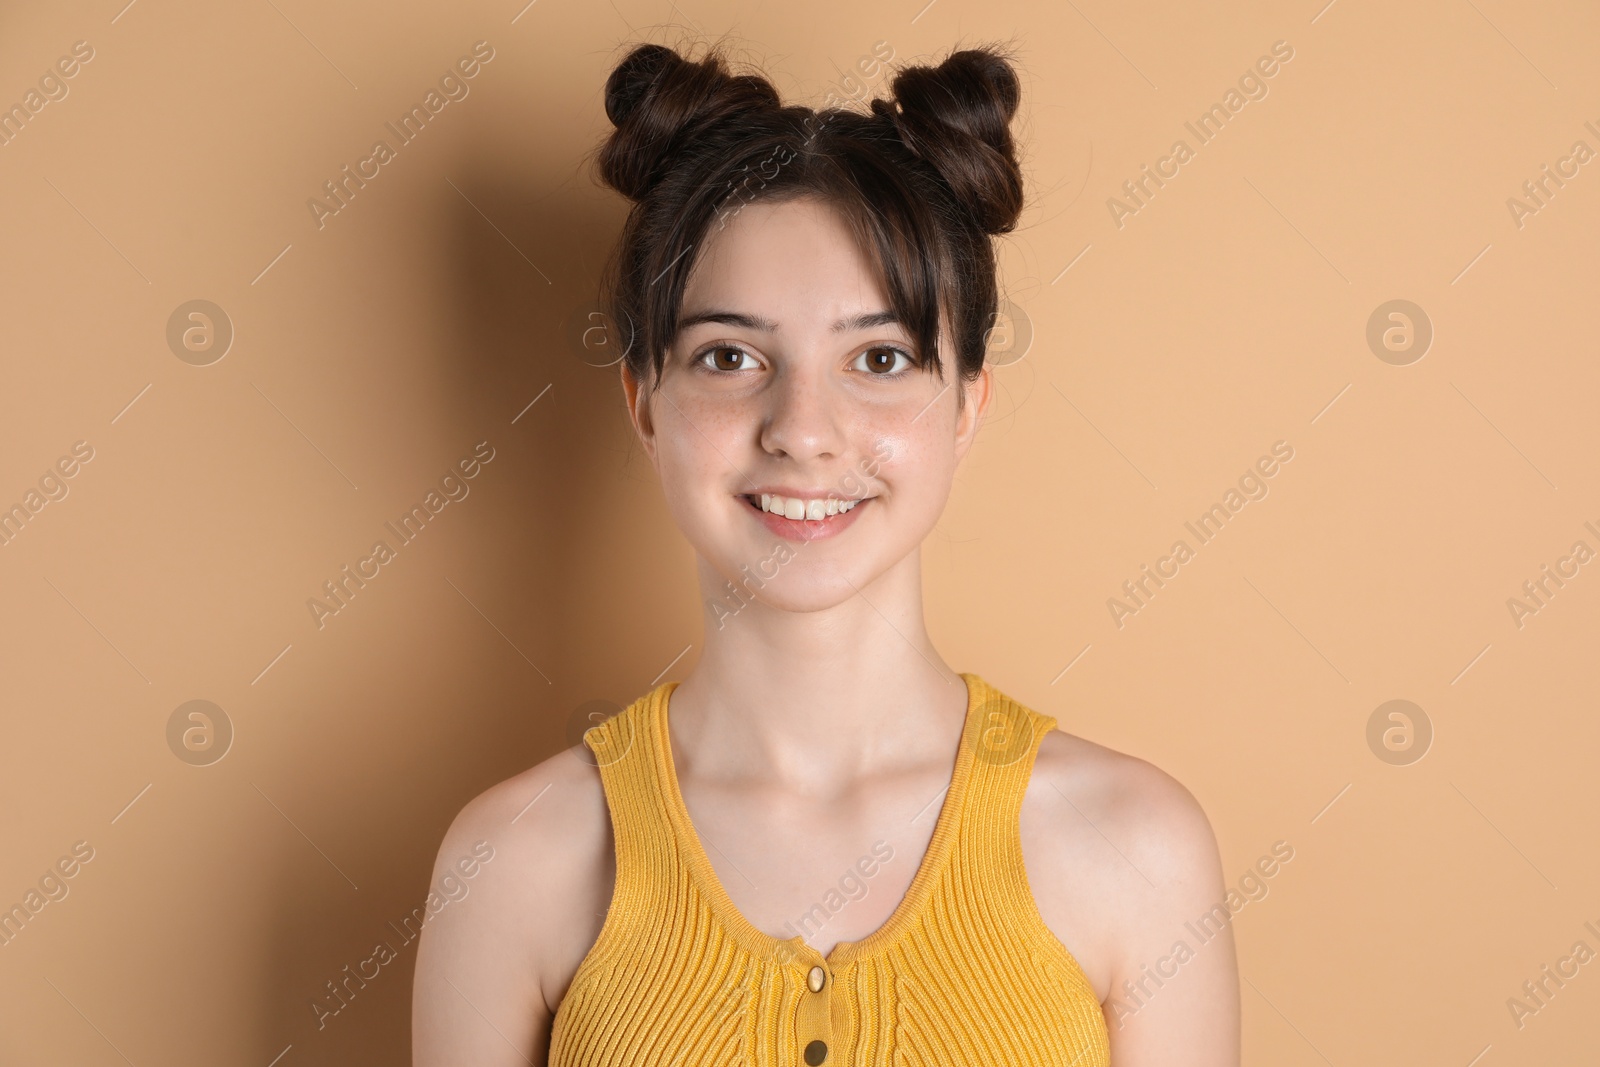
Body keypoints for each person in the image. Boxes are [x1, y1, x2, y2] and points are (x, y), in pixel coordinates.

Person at [413, 39, 1240, 1067]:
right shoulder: (512, 862)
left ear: (965, 405)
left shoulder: (1135, 847)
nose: (802, 430)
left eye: (880, 358)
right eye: (730, 356)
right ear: (643, 404)